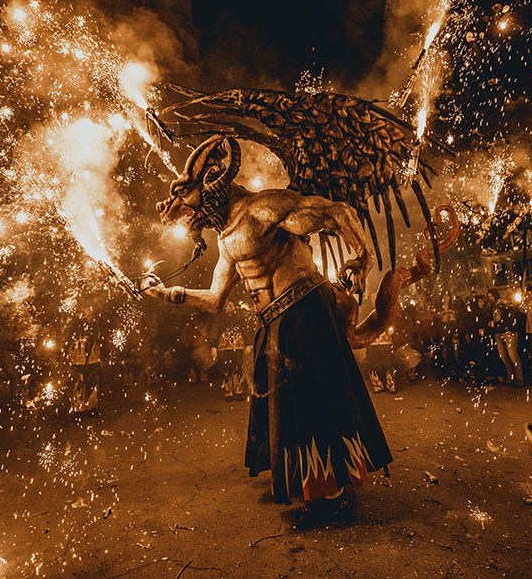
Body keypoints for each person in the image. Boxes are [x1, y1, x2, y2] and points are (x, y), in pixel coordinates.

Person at [145, 136, 392, 509]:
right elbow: (215, 300)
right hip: (273, 323)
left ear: (211, 189)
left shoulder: (261, 209)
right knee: (285, 406)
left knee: (313, 401)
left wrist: (364, 256)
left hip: (306, 313)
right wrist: (167, 294)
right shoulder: (226, 239)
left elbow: (335, 212)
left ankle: (335, 495)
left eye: (187, 203)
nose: (185, 215)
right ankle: (303, 481)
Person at [487, 288, 525, 386]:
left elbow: (511, 314)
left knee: (513, 356)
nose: (490, 298)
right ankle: (511, 376)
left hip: (507, 332)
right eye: (489, 297)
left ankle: (519, 378)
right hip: (498, 332)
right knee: (503, 356)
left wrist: (510, 328)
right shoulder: (492, 306)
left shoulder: (502, 304)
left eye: (491, 296)